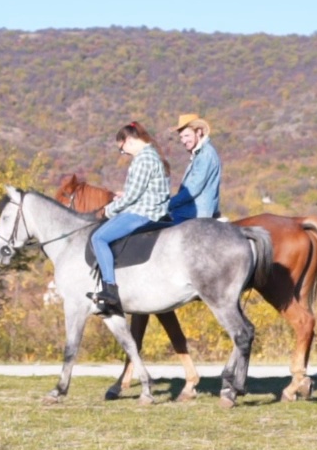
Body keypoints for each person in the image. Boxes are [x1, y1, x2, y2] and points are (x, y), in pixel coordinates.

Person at [88, 121, 171, 313]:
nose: (123, 153)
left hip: (143, 213)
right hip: (150, 209)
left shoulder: (143, 159)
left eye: (122, 149)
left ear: (130, 140)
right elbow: (138, 192)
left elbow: (133, 197)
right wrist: (123, 196)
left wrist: (108, 210)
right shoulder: (153, 155)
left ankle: (110, 289)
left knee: (98, 237)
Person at [168, 113, 222, 224]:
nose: (183, 141)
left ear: (198, 132)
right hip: (189, 212)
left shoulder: (205, 155)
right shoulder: (200, 154)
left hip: (194, 214)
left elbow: (192, 189)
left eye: (187, 136)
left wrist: (167, 204)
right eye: (181, 137)